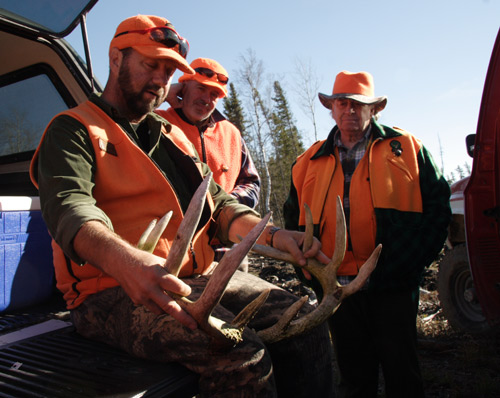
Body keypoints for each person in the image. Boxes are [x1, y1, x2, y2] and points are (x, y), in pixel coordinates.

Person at [29, 15, 334, 397]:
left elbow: (219, 204)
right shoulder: (73, 129)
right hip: (109, 291)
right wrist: (128, 263)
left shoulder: (171, 135)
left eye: (169, 69)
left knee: (305, 322)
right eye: (150, 64)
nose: (160, 78)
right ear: (115, 58)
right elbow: (69, 209)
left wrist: (272, 236)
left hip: (193, 279)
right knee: (240, 352)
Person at [284, 70, 451, 397]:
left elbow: (438, 206)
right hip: (337, 291)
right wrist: (309, 273)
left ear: (374, 109)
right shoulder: (307, 161)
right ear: (331, 108)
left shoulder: (407, 148)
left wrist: (412, 264)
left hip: (393, 287)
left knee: (403, 376)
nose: (350, 110)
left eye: (359, 104)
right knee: (354, 380)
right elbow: (293, 223)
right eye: (342, 103)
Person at [156, 58, 260, 269]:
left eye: (214, 94)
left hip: (227, 253)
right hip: (171, 253)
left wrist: (225, 206)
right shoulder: (157, 122)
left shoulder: (231, 133)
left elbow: (251, 182)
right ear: (182, 87)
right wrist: (164, 93)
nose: (206, 98)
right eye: (201, 88)